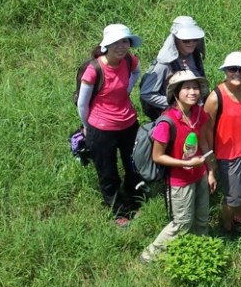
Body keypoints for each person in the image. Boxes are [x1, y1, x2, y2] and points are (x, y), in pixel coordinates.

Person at [140, 70, 217, 263]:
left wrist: (210, 171)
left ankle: (201, 250)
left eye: (196, 87)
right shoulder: (167, 121)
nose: (193, 92)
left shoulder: (198, 113)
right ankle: (150, 255)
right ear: (176, 93)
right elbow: (157, 156)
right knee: (181, 223)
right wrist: (185, 163)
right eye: (187, 88)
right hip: (179, 181)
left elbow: (204, 144)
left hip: (199, 175)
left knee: (201, 218)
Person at [78, 24, 143, 227]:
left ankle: (135, 200)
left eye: (125, 41)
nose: (122, 46)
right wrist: (86, 126)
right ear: (106, 45)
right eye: (116, 42)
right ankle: (118, 211)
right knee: (108, 171)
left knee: (134, 165)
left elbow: (136, 72)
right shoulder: (94, 70)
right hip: (101, 129)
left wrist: (126, 90)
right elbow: (82, 103)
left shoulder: (129, 61)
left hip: (129, 123)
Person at [203, 52, 241, 235]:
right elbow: (206, 131)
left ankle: (239, 221)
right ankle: (227, 229)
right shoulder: (215, 97)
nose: (237, 73)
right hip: (227, 154)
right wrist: (210, 159)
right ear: (225, 71)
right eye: (232, 69)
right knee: (233, 197)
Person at [140, 16, 207, 121]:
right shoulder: (164, 64)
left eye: (195, 39)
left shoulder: (195, 56)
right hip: (174, 118)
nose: (191, 43)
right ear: (175, 39)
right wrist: (176, 103)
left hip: (194, 114)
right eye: (186, 40)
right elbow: (147, 93)